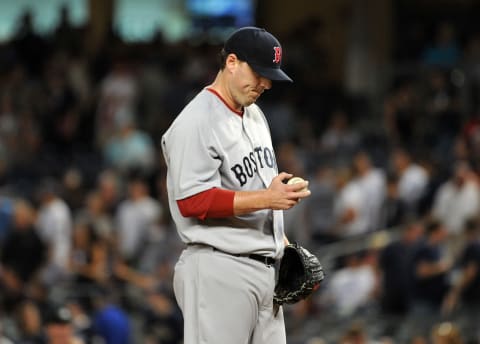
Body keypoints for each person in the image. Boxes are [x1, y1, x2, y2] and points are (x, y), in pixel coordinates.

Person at [161, 26, 311, 344]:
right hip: (220, 268)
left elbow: (257, 190)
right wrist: (268, 198)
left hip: (263, 271)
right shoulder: (196, 121)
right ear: (231, 62)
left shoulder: (255, 115)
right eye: (258, 73)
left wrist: (281, 241)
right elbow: (193, 200)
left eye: (269, 76)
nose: (266, 84)